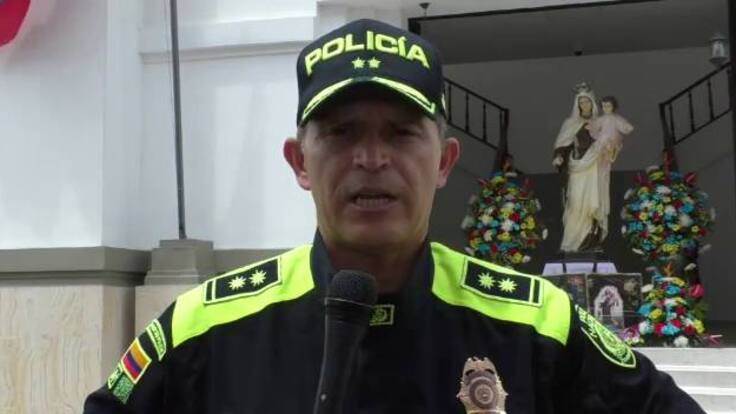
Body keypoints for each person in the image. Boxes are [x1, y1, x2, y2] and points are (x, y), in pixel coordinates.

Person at [84, 19, 703, 413]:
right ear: (300, 162)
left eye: (402, 133)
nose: (372, 158)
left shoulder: (536, 324)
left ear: (444, 162)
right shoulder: (206, 329)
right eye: (342, 133)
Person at [553, 84, 610, 253]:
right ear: (577, 105)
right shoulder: (570, 123)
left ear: (593, 103)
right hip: (577, 167)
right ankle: (571, 242)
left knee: (593, 204)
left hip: (595, 168)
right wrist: (559, 156)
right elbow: (562, 144)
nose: (585, 105)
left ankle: (590, 242)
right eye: (581, 102)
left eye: (587, 101)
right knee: (575, 203)